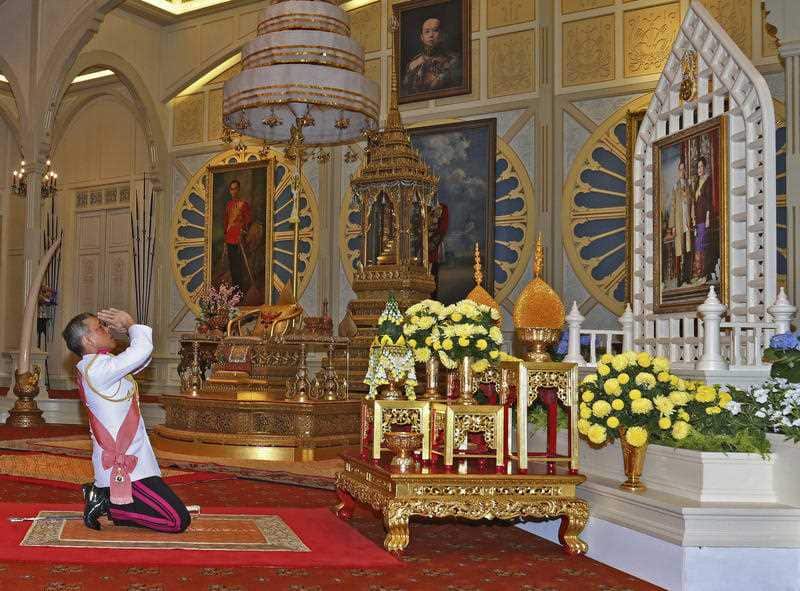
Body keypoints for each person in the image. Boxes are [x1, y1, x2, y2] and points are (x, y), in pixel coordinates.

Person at [62, 309, 191, 532]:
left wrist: (132, 332)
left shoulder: (103, 364)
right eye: (100, 327)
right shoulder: (97, 370)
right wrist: (131, 324)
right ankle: (109, 504)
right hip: (126, 467)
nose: (107, 329)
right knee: (177, 521)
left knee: (173, 516)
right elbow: (141, 350)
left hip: (137, 459)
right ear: (88, 339)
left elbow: (140, 360)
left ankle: (105, 499)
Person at [402, 17, 462, 95]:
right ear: (422, 37)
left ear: (442, 35)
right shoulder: (414, 62)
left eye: (435, 30)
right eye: (427, 32)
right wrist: (411, 71)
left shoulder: (453, 59)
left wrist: (439, 79)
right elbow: (406, 89)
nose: (431, 35)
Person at [223, 180, 252, 293]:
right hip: (230, 238)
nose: (233, 191)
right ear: (230, 191)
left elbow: (248, 220)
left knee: (240, 266)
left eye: (235, 188)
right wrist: (225, 237)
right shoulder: (228, 205)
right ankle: (235, 290)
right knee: (232, 265)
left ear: (239, 189)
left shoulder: (244, 204)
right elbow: (226, 222)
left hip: (240, 238)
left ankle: (241, 291)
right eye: (231, 189)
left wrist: (243, 232)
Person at [668, 159, 693, 286]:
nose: (682, 172)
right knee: (680, 250)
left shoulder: (690, 185)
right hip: (678, 222)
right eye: (680, 169)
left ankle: (687, 277)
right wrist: (672, 226)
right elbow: (673, 206)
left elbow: (692, 202)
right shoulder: (675, 186)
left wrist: (692, 219)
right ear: (678, 171)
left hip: (687, 222)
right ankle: (679, 278)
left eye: (684, 169)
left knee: (688, 250)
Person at [692, 156, 713, 281]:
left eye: (701, 167)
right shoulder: (696, 182)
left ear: (704, 167)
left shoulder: (708, 180)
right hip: (697, 218)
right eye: (698, 167)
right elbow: (695, 202)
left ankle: (704, 273)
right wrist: (694, 218)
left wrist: (708, 217)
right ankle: (698, 273)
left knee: (702, 244)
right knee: (697, 245)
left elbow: (709, 201)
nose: (699, 169)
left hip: (704, 218)